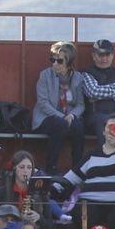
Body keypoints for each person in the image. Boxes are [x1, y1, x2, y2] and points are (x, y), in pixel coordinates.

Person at [33, 41, 85, 174]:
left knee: (78, 126)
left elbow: (80, 104)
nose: (55, 63)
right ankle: (51, 167)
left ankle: (77, 168)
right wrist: (62, 117)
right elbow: (42, 103)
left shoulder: (78, 78)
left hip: (69, 115)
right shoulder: (45, 75)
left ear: (69, 62)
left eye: (60, 61)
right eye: (53, 59)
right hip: (47, 117)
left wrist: (72, 115)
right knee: (60, 124)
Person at [0, 150, 52, 229]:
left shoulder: (40, 193)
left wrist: (39, 217)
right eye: (22, 167)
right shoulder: (2, 192)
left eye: (29, 167)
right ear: (15, 169)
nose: (26, 171)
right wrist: (20, 218)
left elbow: (50, 226)